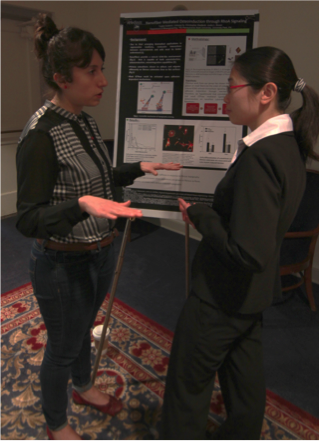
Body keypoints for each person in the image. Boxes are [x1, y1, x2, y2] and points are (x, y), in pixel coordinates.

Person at [16, 14, 182, 441]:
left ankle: (84, 386)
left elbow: (98, 179)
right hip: (60, 264)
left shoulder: (84, 120)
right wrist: (81, 206)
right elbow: (29, 218)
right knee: (62, 347)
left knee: (82, 331)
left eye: (101, 69)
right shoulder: (41, 135)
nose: (104, 81)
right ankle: (56, 423)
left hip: (98, 252)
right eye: (92, 71)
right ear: (61, 78)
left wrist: (138, 169)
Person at [161, 46, 318, 440]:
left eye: (231, 87)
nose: (224, 97)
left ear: (266, 92)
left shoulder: (262, 158)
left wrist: (201, 215)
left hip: (220, 298)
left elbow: (246, 251)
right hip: (253, 297)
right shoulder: (290, 148)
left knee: (186, 389)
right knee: (245, 393)